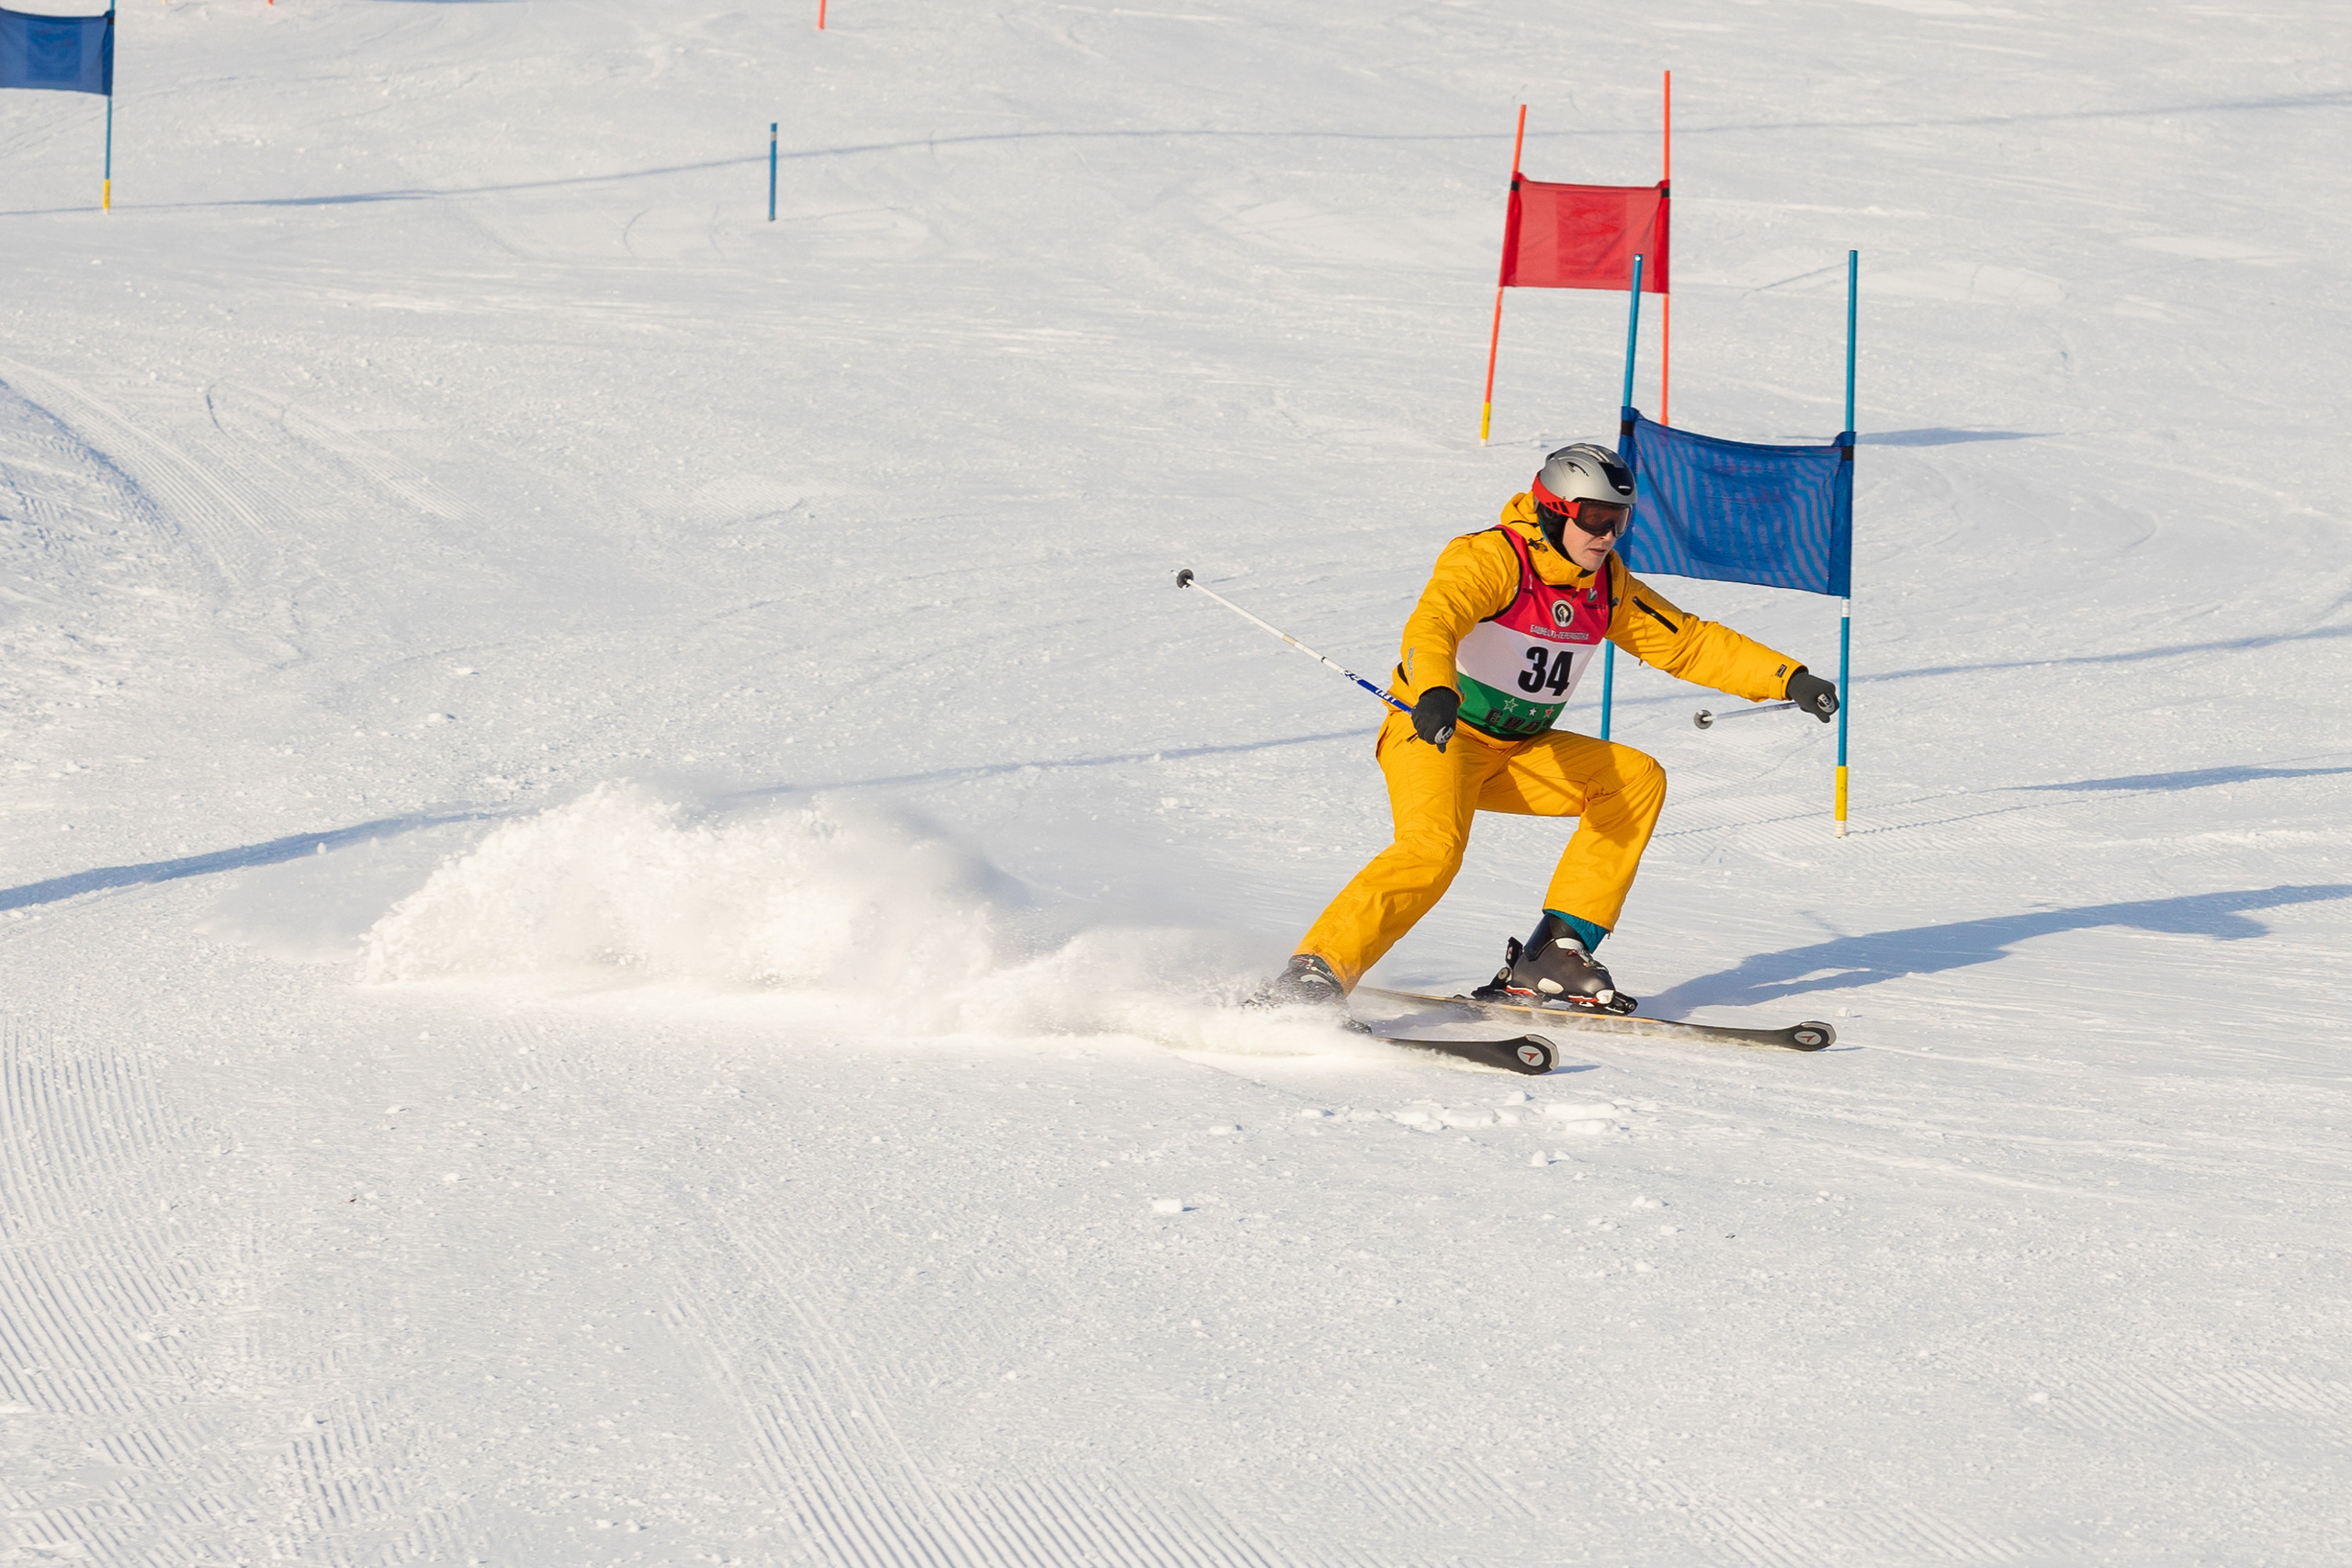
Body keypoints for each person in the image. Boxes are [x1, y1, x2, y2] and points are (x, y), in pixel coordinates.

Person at [1265, 442, 1838, 1011]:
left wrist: (1788, 678)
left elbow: (1686, 641)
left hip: (1519, 752)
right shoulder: (1492, 558)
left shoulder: (1606, 585)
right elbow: (1435, 622)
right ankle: (1314, 974)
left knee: (1633, 779)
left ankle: (1555, 953)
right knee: (1432, 851)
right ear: (1555, 508)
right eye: (1595, 518)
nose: (1608, 534)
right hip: (1440, 736)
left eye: (1619, 520)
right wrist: (1435, 689)